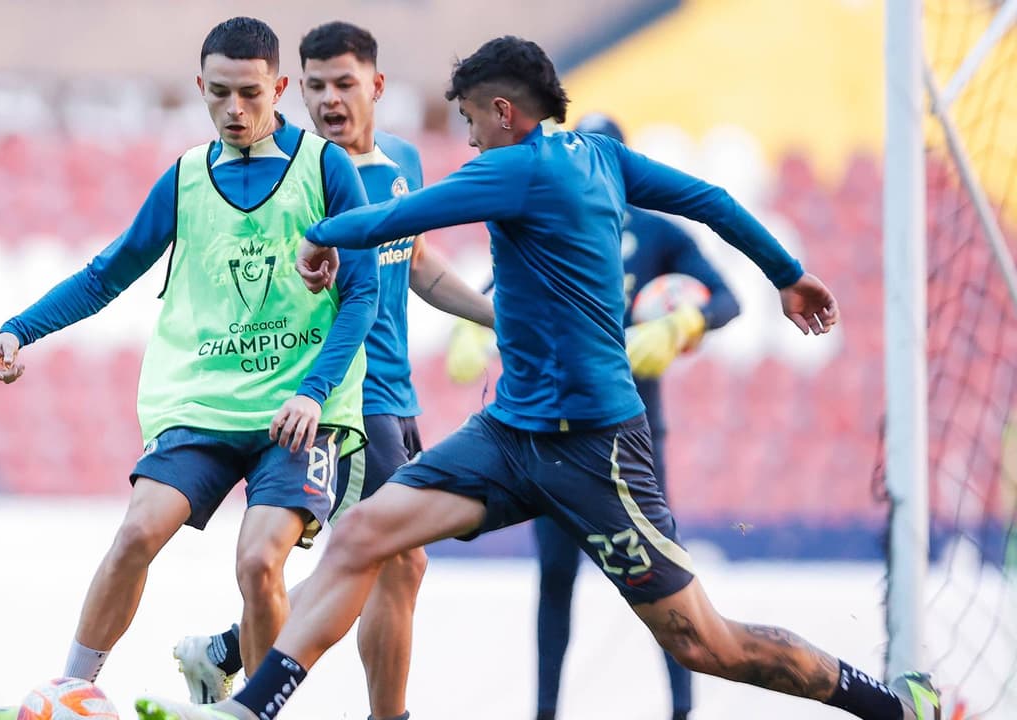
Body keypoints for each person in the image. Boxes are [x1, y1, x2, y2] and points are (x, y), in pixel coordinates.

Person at [134, 35, 941, 720]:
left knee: (706, 643)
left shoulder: (516, 167)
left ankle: (893, 706)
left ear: (505, 113)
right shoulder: (604, 158)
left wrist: (319, 235)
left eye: (473, 121)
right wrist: (787, 273)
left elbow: (395, 218)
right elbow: (713, 199)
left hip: (596, 451)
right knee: (361, 537)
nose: (471, 138)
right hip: (510, 434)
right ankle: (249, 708)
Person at [0, 16, 377, 719]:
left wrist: (315, 391)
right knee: (136, 532)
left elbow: (363, 293)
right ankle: (72, 688)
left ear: (279, 87)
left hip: (300, 414)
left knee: (258, 563)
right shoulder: (187, 179)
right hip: (201, 405)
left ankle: (253, 710)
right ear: (200, 86)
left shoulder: (325, 168)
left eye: (250, 94)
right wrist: (19, 328)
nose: (234, 110)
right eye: (218, 93)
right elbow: (108, 274)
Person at [172, 22, 494, 720]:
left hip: (400, 399)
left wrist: (495, 318)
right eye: (314, 86)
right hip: (350, 401)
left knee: (388, 562)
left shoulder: (400, 161)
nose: (328, 99)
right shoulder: (297, 174)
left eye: (343, 83)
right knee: (397, 561)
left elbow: (415, 264)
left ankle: (227, 654)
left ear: (375, 86)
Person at [529, 113, 740, 720]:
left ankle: (682, 710)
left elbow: (728, 298)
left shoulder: (658, 234)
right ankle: (545, 712)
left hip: (633, 438)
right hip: (554, 430)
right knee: (554, 578)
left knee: (663, 581)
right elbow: (493, 292)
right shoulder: (548, 227)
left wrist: (684, 322)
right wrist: (473, 323)